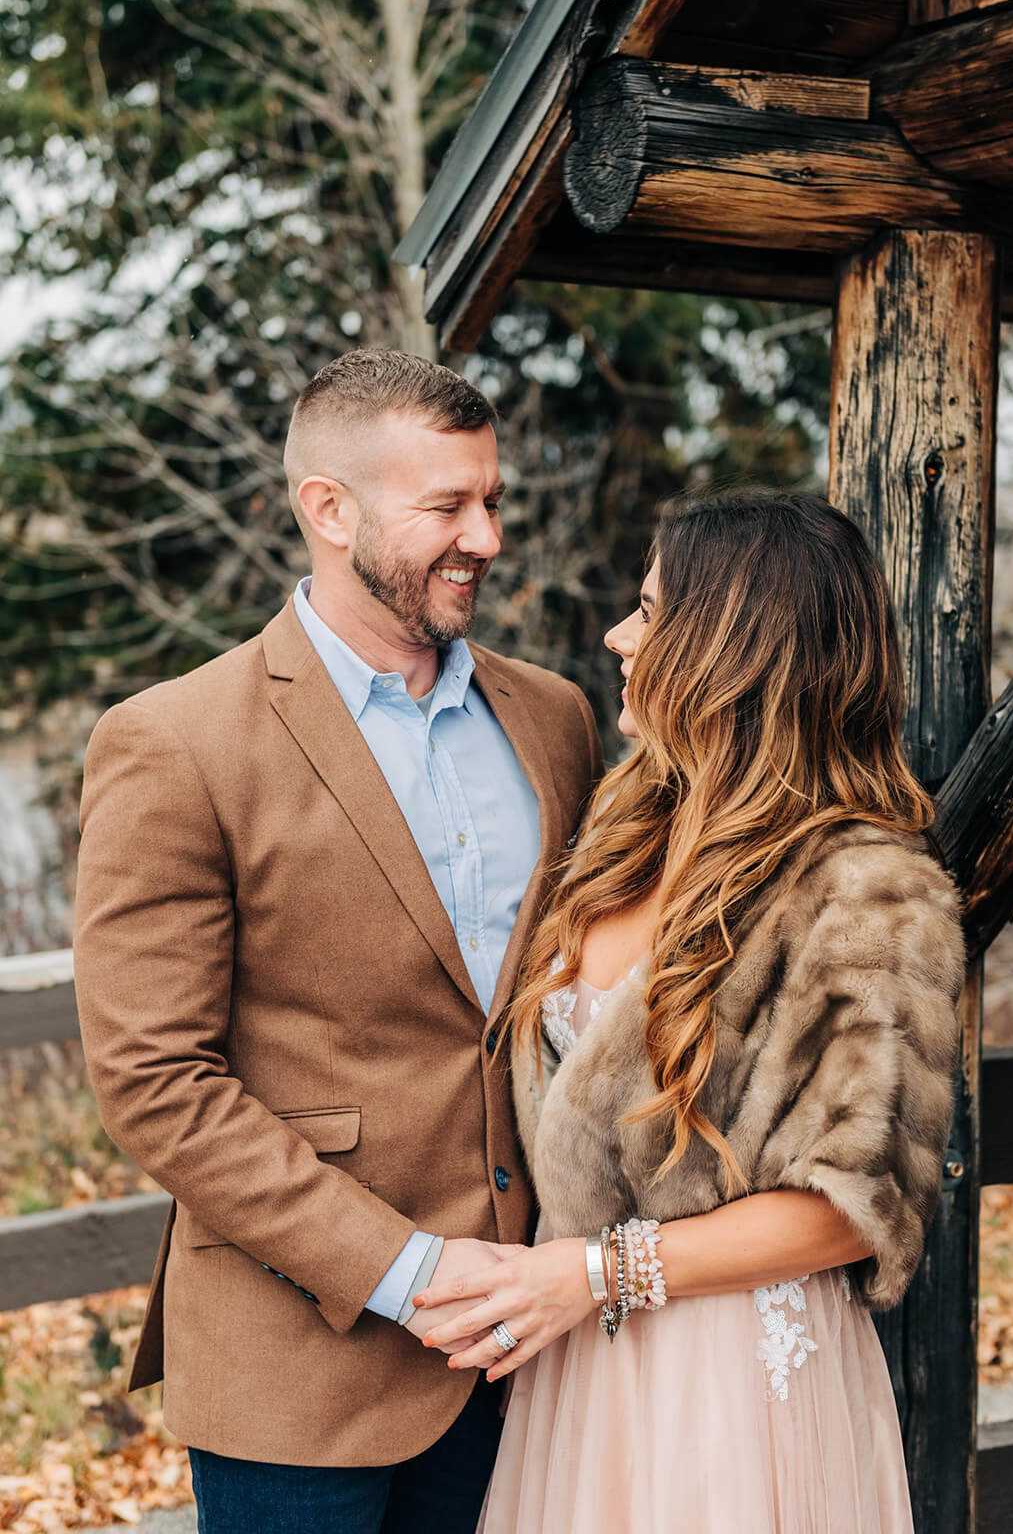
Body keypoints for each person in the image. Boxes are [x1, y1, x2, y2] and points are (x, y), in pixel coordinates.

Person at [73, 350, 601, 1534]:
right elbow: (156, 1080)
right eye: (446, 506)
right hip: (297, 1369)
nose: (487, 537)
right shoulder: (173, 742)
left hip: (530, 1355)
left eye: (493, 499)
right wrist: (410, 1272)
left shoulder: (556, 717)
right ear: (329, 509)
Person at [414, 492, 965, 1533]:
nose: (620, 636)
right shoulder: (620, 824)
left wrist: (599, 1272)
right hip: (579, 1362)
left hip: (731, 1376)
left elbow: (853, 1206)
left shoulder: (864, 890)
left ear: (734, 649)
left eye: (651, 611)